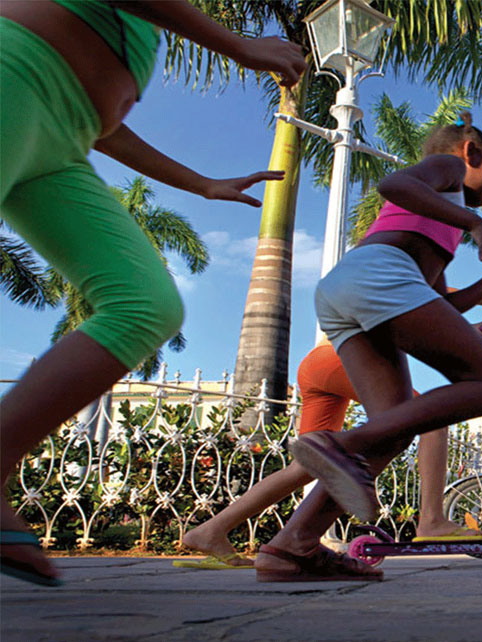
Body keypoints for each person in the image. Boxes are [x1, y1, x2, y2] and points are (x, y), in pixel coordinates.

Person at [0, 0, 307, 587]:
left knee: (148, 304)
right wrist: (239, 46)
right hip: (14, 71)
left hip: (63, 139)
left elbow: (105, 126)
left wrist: (201, 183)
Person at [255, 112, 482, 582]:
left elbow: (439, 301)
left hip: (353, 288)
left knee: (393, 429)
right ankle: (341, 444)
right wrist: (475, 222)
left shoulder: (440, 219)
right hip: (378, 275)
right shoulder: (449, 169)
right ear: (472, 153)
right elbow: (392, 184)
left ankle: (291, 547)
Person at [176, 296, 482, 569]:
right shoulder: (396, 272)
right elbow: (429, 295)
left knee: (304, 466)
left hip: (318, 363)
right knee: (431, 417)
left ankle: (210, 530)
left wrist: (467, 328)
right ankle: (431, 520)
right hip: (339, 359)